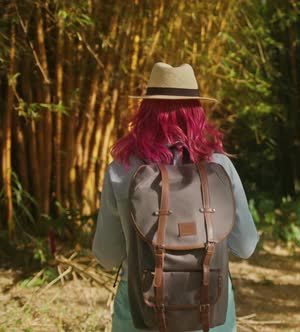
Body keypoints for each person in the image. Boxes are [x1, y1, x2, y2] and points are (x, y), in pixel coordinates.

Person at [92, 62, 259, 332]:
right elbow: (246, 245)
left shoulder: (122, 170)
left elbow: (107, 255)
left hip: (142, 311)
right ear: (197, 112)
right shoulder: (220, 168)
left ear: (145, 111)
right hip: (210, 310)